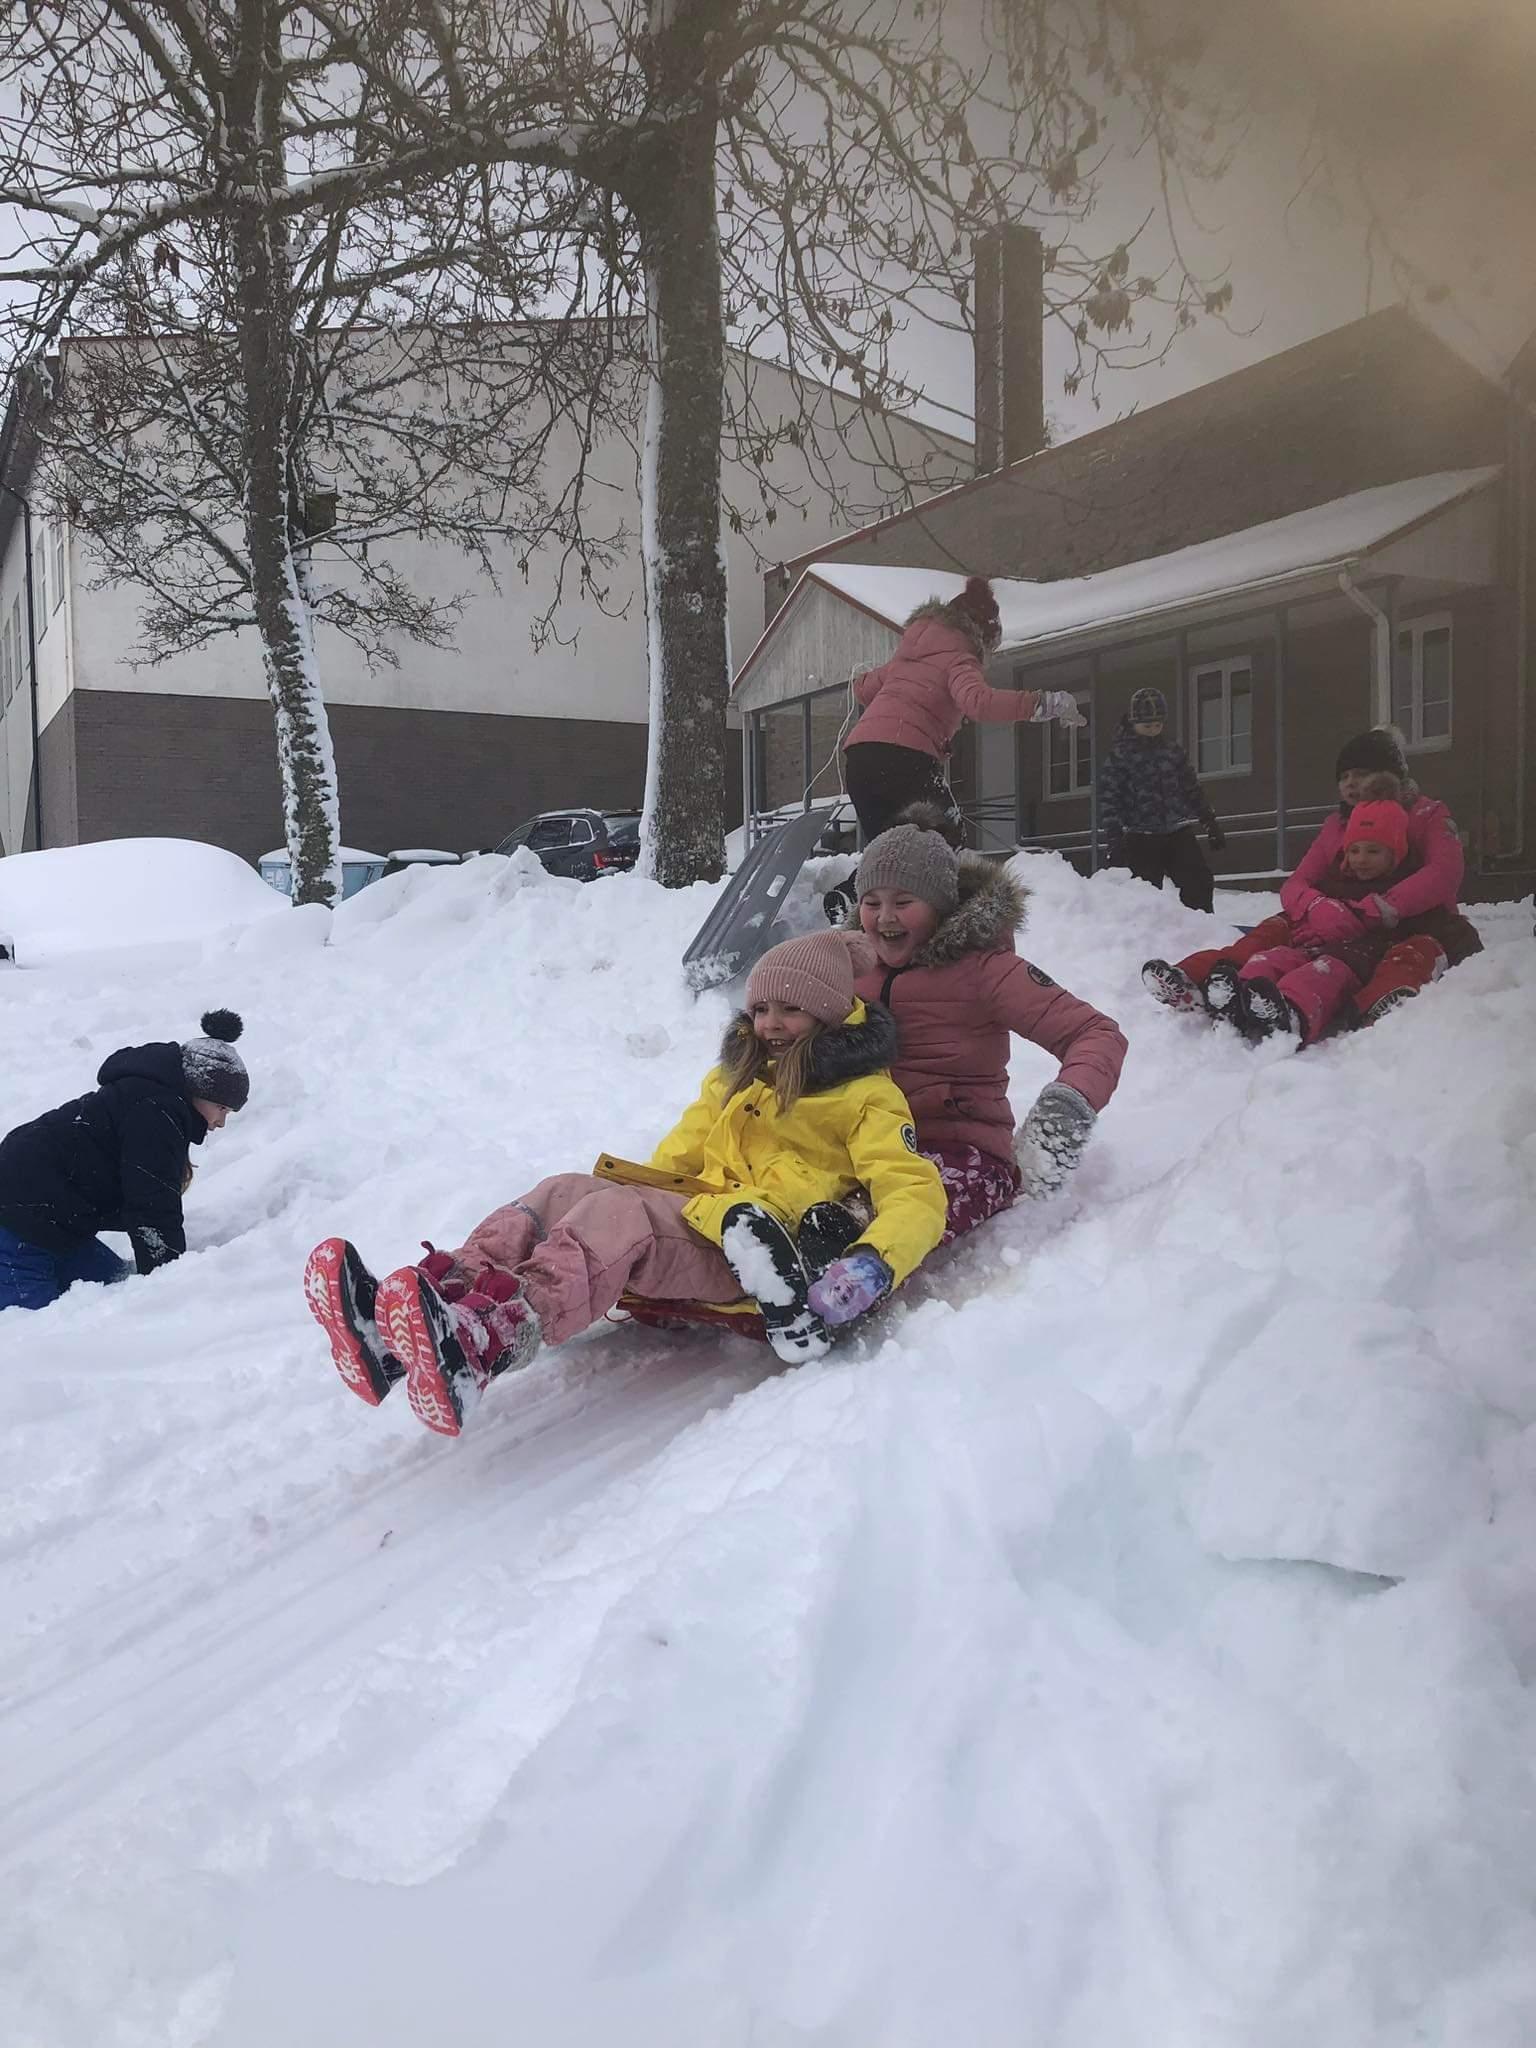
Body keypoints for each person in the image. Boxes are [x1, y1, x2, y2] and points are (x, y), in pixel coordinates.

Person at [304, 930, 947, 1438]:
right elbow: (677, 1157)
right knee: (563, 1190)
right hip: (701, 1214)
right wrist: (619, 1195)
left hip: (755, 1250)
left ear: (830, 1014)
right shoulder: (739, 1077)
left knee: (618, 1217)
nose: (770, 1024)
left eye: (790, 1010)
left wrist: (869, 1266)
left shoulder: (866, 1097)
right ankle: (419, 1318)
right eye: (760, 1009)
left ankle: (495, 1337)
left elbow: (914, 1192)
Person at [849, 805, 1127, 1233]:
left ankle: (850, 1250)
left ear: (940, 907)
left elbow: (1096, 1033)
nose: (885, 917)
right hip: (865, 1141)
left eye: (903, 902)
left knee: (896, 1210)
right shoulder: (849, 967)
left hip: (961, 1149)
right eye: (872, 903)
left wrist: (1067, 1107)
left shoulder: (986, 971)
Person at [1143, 729, 1482, 1037]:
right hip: (1334, 917)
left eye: (1361, 774)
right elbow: (1299, 882)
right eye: (1344, 777)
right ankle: (1205, 978)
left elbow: (1444, 873)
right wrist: (1316, 906)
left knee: (1384, 959)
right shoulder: (1337, 824)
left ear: (1388, 776)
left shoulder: (1426, 814)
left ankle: (1365, 1007)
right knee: (1273, 930)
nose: (1350, 784)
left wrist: (1379, 908)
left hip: (1404, 924)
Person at [0, 1009, 248, 1310]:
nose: (221, 1122)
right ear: (198, 1091)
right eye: (221, 1108)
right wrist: (169, 1292)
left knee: (116, 1286)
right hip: (19, 1220)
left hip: (56, 1219)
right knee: (34, 1323)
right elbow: (152, 1207)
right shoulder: (157, 1113)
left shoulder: (156, 1101)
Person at [840, 575, 1085, 844]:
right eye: (990, 648)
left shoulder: (904, 659)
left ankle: (865, 875)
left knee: (888, 852)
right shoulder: (960, 657)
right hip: (905, 758)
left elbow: (863, 689)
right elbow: (978, 702)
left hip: (859, 760)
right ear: (980, 636)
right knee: (948, 839)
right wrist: (1044, 703)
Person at [1097, 686, 1225, 913]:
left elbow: (1191, 788)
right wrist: (1115, 840)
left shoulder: (1172, 751)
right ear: (1134, 723)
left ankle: (1201, 925)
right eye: (1147, 726)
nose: (1153, 731)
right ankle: (1147, 930)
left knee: (1199, 881)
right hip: (1140, 836)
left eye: (1157, 725)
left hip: (1176, 831)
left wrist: (1209, 821)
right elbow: (1109, 800)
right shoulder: (1121, 756)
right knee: (1145, 895)